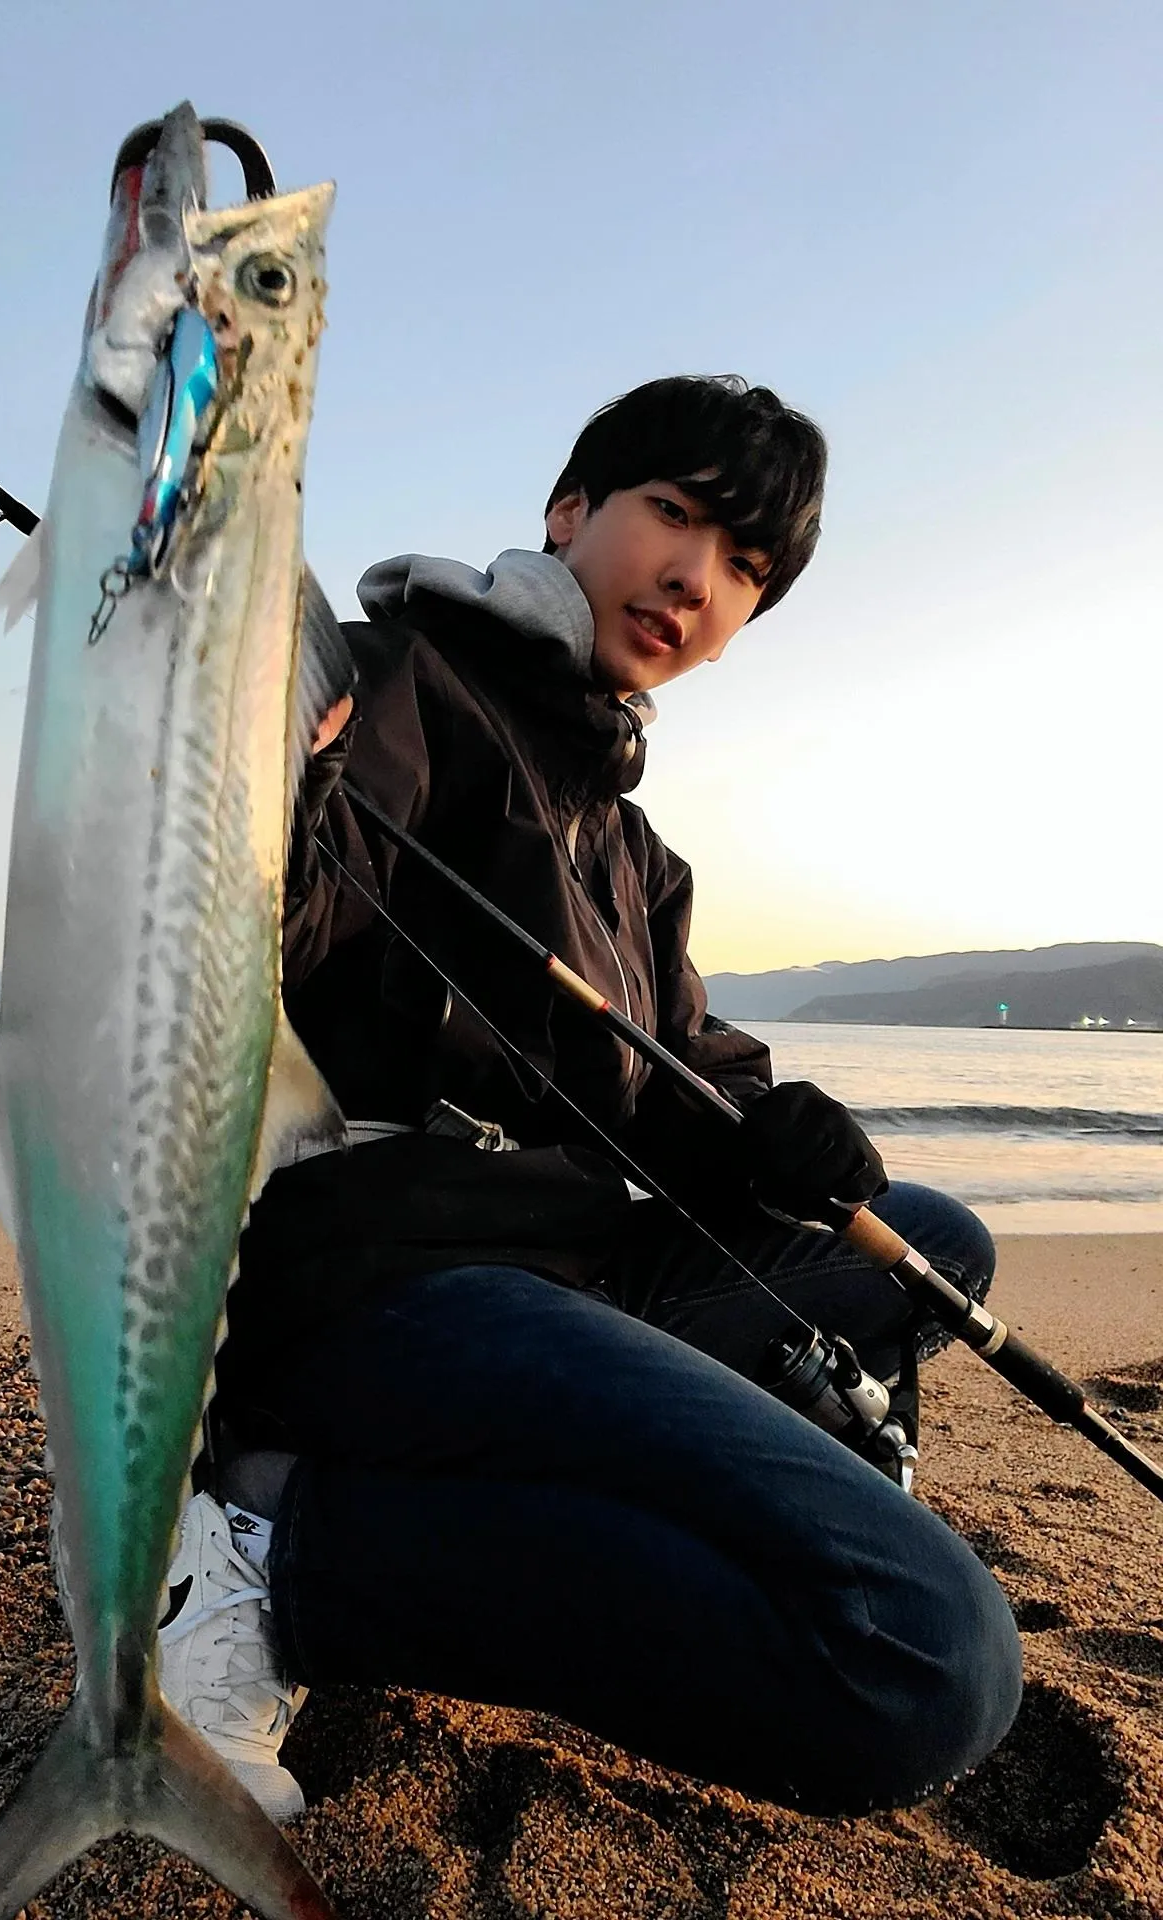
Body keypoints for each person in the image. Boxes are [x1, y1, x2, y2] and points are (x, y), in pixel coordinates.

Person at [154, 375, 1023, 1824]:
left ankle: (603, 1493)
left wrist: (777, 1128)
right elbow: (253, 933)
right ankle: (274, 1548)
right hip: (379, 1277)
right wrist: (277, 786)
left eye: (744, 567)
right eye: (673, 517)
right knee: (928, 1665)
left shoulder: (631, 850)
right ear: (570, 511)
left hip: (573, 1264)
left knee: (929, 1239)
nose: (695, 579)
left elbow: (681, 1077)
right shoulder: (388, 682)